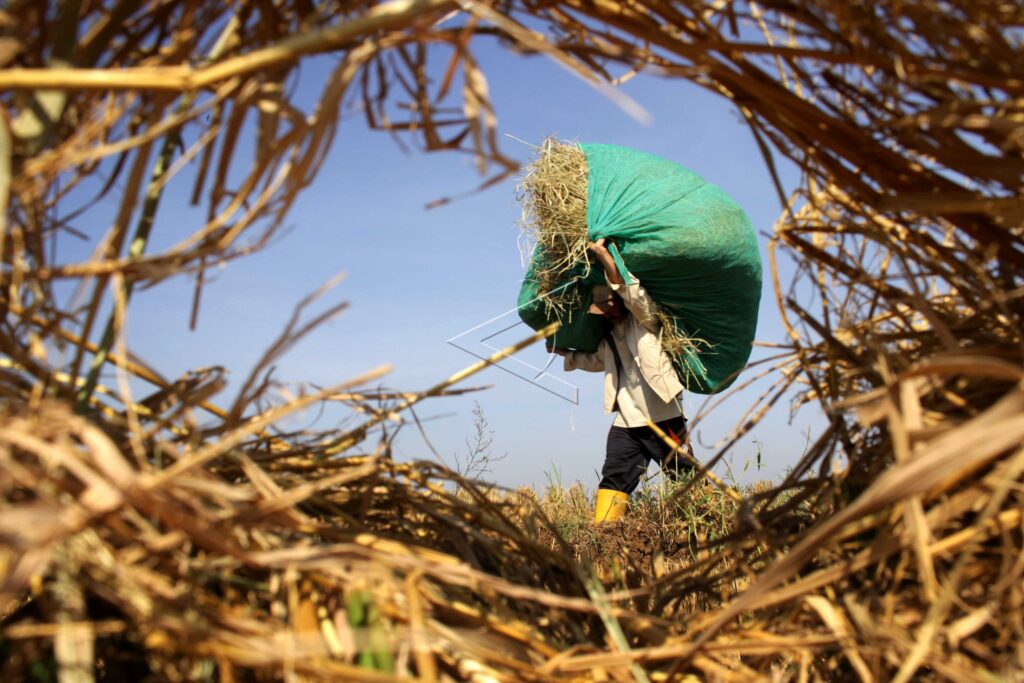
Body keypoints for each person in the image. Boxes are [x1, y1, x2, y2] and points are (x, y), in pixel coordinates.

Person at [549, 238, 692, 524]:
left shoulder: (646, 322)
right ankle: (604, 532)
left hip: (662, 415)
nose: (607, 314)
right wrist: (563, 352)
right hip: (626, 421)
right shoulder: (610, 337)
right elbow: (596, 361)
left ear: (619, 304)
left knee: (683, 475)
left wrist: (603, 255)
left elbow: (633, 294)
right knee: (615, 474)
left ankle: (705, 521)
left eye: (610, 307)